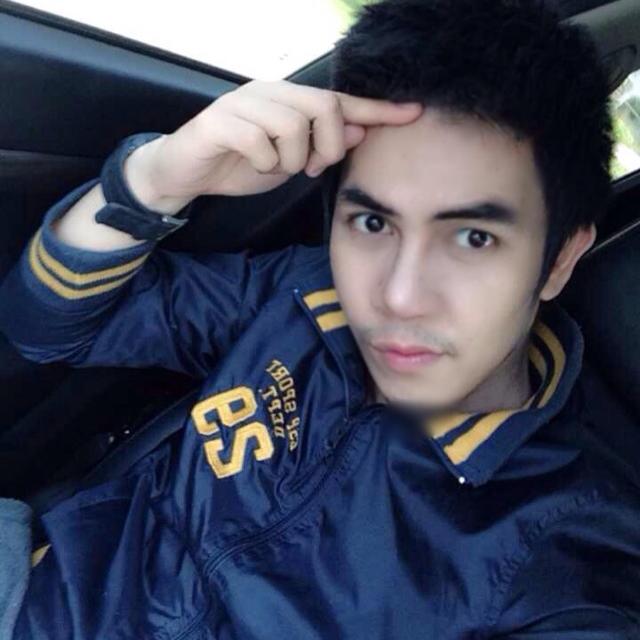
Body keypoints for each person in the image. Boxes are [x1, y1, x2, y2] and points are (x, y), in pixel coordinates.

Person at [1, 0, 638, 637]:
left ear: (559, 259)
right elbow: (46, 324)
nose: (399, 296)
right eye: (373, 222)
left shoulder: (569, 555)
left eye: (474, 237)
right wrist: (155, 181)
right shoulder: (304, 296)